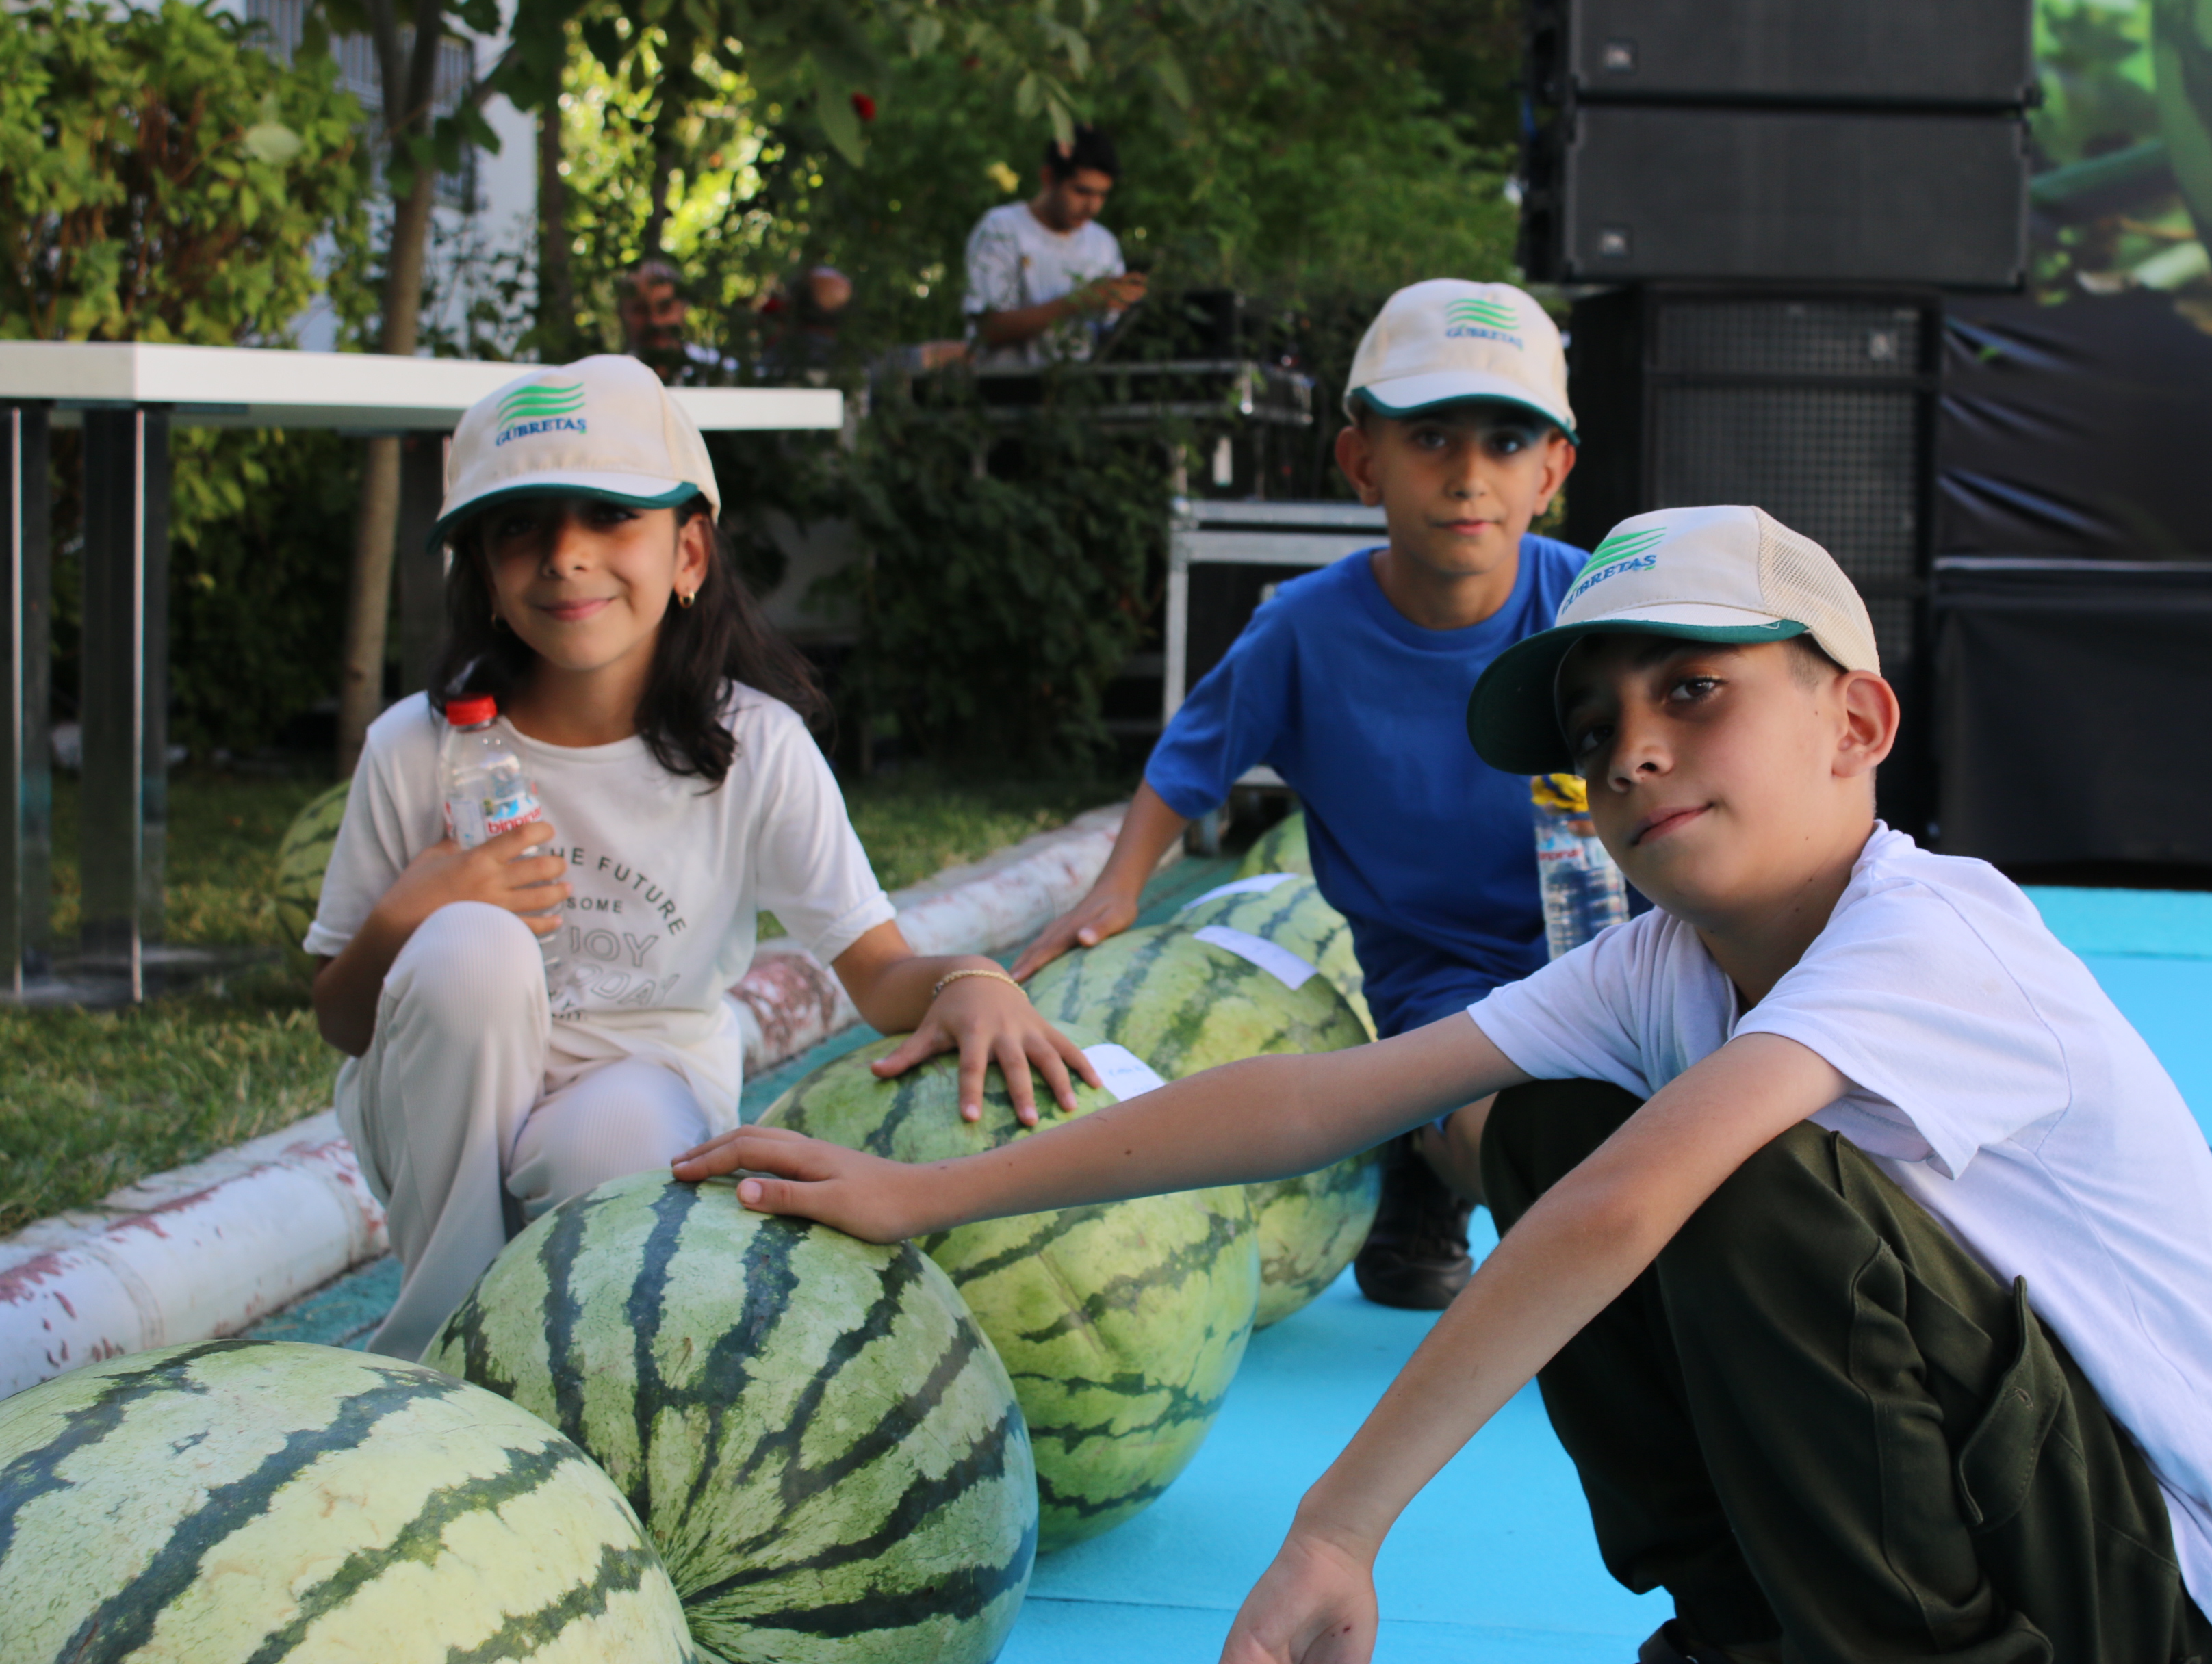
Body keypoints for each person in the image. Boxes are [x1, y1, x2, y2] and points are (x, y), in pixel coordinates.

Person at [678, 504, 2212, 1664]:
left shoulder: (1934, 935)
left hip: (2139, 1589)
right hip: (2002, 1493)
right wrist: (929, 1190)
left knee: (1704, 1173)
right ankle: (1750, 1627)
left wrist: (1338, 1524)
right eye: (1595, 727)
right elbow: (1326, 1100)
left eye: (1693, 690)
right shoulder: (1663, 963)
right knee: (1541, 1124)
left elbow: (1624, 1211)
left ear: (1858, 719)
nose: (1631, 754)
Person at [305, 354, 1097, 1360]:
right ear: (480, 573)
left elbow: (879, 971)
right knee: (470, 947)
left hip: (642, 1086)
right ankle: (437, 1354)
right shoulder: (416, 748)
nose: (564, 556)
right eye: (520, 527)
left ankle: (574, 1365)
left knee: (623, 1127)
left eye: (607, 516)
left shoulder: (754, 748)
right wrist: (411, 910)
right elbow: (341, 1018)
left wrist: (974, 982)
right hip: (435, 1115)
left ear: (687, 555)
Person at [1009, 277, 1587, 1311]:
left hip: (1611, 954)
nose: (1468, 476)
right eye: (1431, 439)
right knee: (1523, 1150)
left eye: (1505, 443)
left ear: (1553, 469)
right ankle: (1422, 1151)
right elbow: (1187, 763)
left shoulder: (1592, 607)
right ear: (1362, 459)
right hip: (1443, 982)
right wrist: (1117, 887)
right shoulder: (1301, 631)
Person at [962, 124, 1148, 369]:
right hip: (1008, 394)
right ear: (1048, 178)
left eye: (1102, 195)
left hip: (1080, 396)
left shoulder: (1103, 242)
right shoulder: (1002, 229)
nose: (1093, 207)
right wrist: (1080, 301)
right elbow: (988, 328)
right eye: (1082, 191)